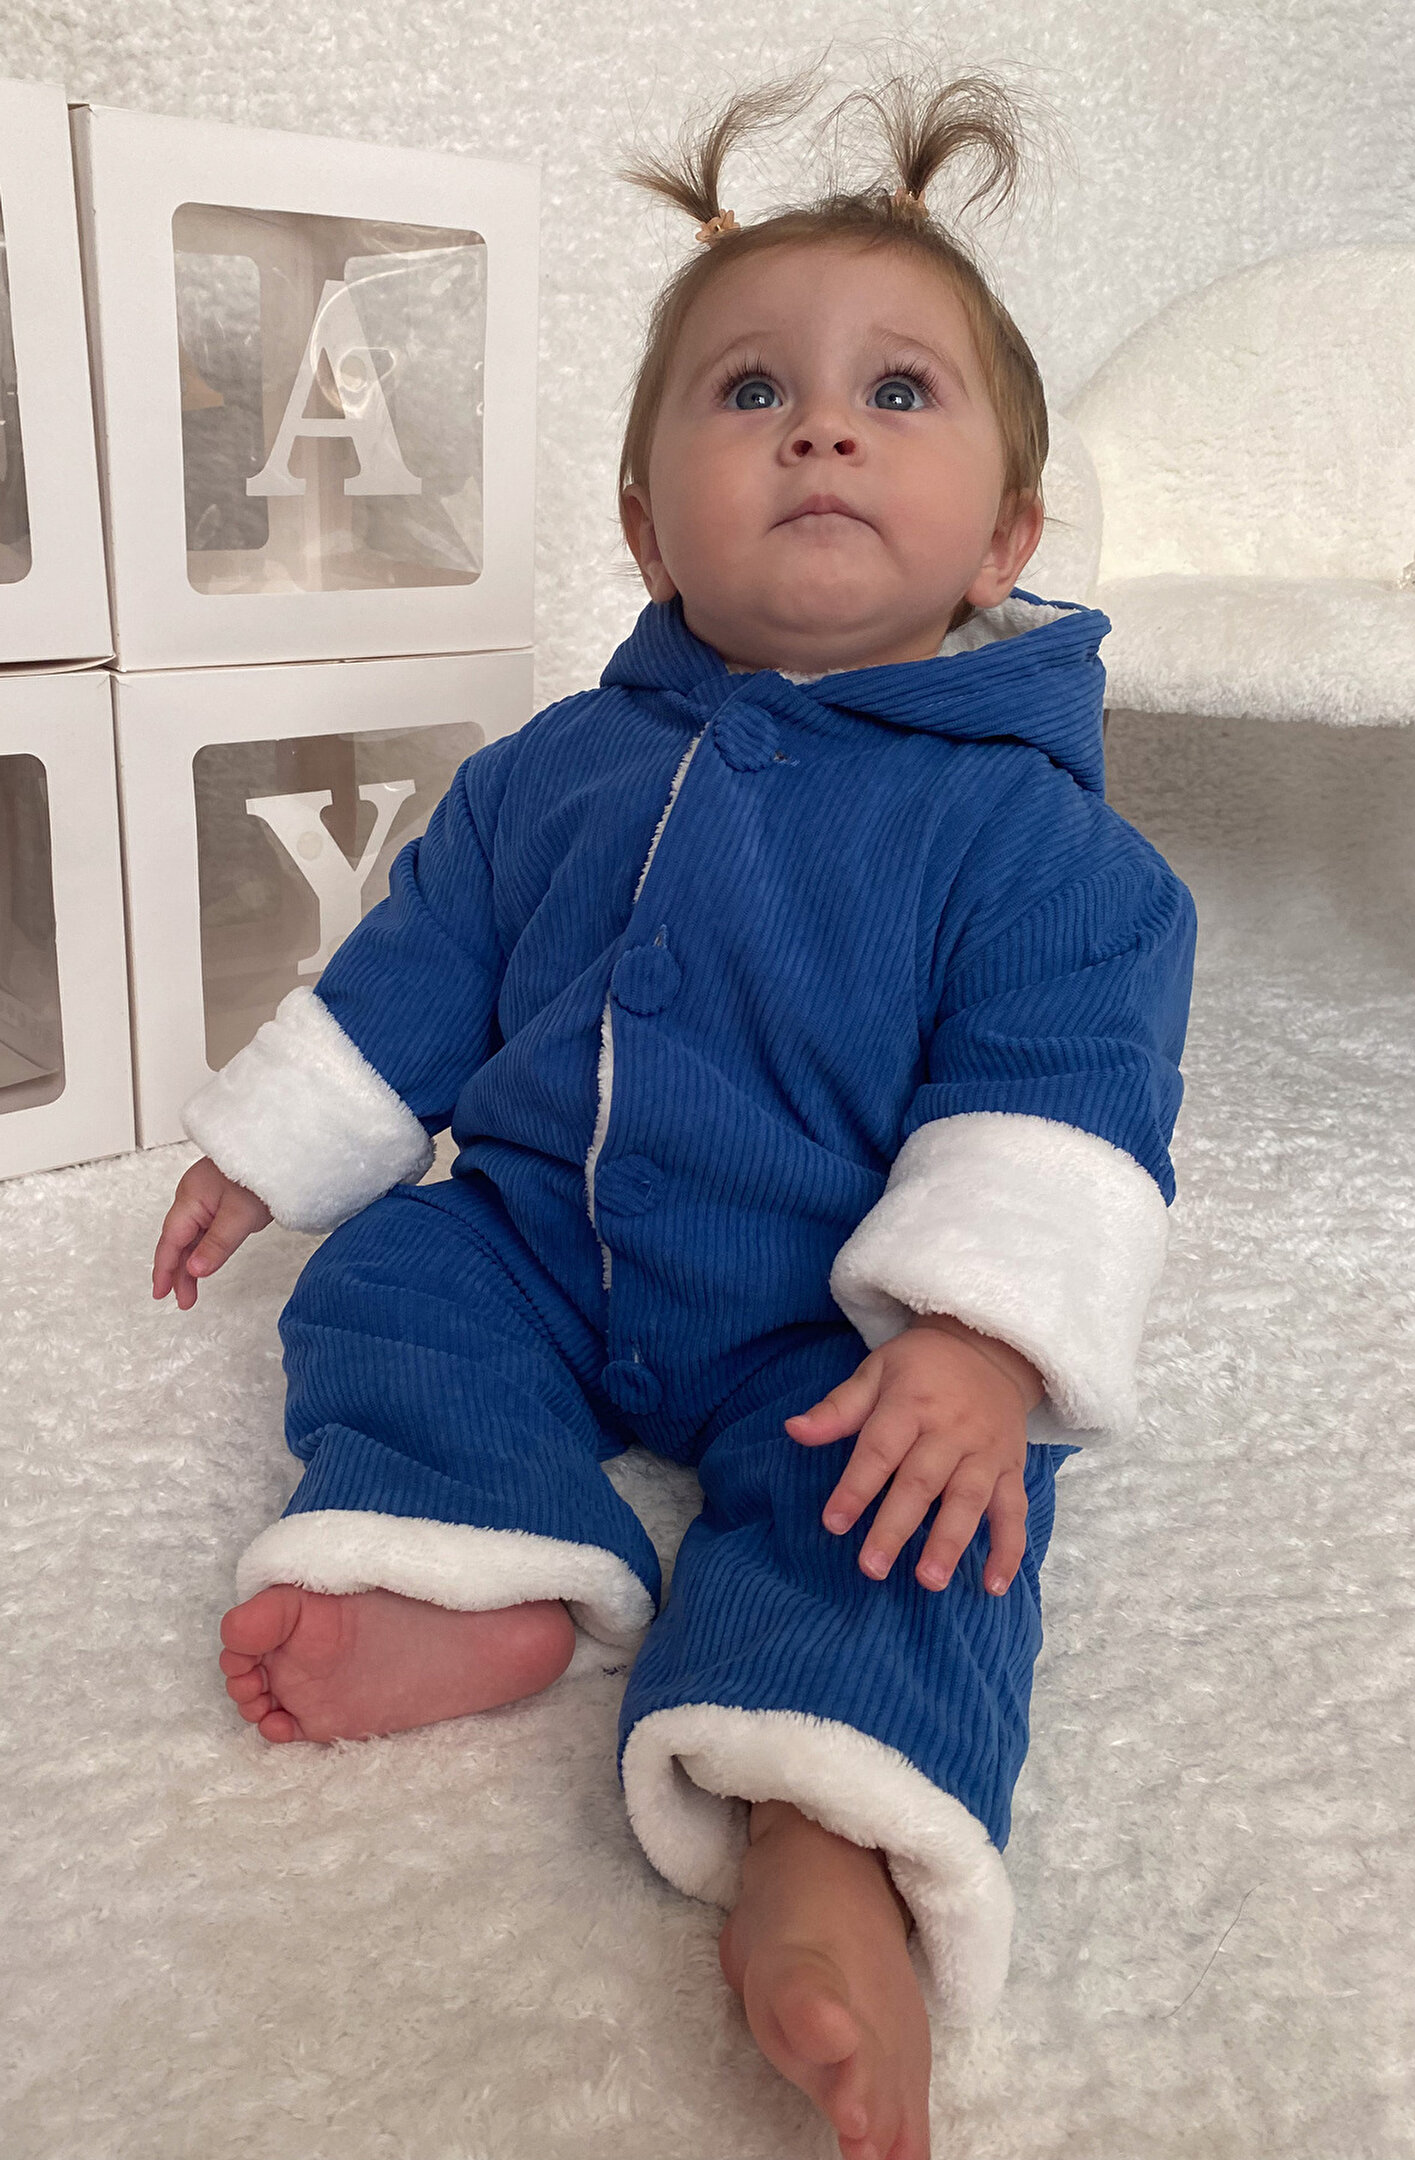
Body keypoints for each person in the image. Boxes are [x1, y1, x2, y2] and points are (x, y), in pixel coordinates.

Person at [152, 72, 1196, 2160]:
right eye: (750, 392)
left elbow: (1059, 1106)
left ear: (1007, 537)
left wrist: (980, 1342)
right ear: (644, 524)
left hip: (831, 1312)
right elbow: (426, 966)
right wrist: (271, 1146)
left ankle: (825, 1831)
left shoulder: (1044, 848)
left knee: (925, 1498)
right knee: (392, 1278)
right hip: (545, 1245)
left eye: (896, 392)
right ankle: (480, 1557)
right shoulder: (553, 766)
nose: (820, 432)